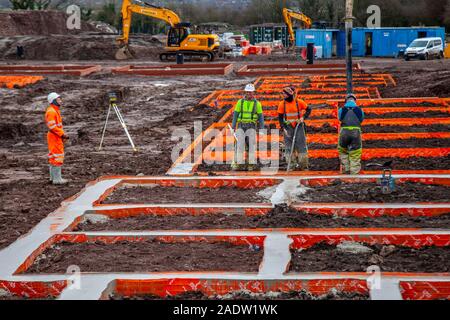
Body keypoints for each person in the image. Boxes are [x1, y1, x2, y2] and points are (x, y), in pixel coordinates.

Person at [230, 84, 265, 171]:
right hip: (241, 126)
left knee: (251, 146)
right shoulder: (240, 102)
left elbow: (261, 118)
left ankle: (250, 165)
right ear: (245, 92)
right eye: (247, 92)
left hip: (252, 126)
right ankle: (237, 164)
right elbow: (235, 115)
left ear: (253, 93)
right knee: (239, 145)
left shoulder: (257, 104)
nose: (249, 94)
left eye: (250, 92)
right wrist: (233, 127)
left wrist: (261, 129)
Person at [278, 86, 311, 170]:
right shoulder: (282, 104)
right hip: (288, 127)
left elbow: (309, 109)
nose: (283, 96)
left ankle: (303, 165)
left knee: (301, 145)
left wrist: (303, 118)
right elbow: (280, 117)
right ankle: (291, 165)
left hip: (298, 126)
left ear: (289, 94)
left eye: (285, 94)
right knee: (289, 147)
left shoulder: (299, 102)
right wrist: (283, 128)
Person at [45, 92, 69, 185]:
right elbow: (53, 127)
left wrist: (61, 135)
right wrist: (62, 134)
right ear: (53, 101)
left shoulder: (54, 110)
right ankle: (57, 179)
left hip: (55, 135)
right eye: (59, 99)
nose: (60, 101)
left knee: (53, 156)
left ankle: (52, 178)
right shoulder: (51, 111)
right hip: (54, 136)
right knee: (57, 156)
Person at [338, 94, 365, 174]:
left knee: (343, 151)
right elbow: (361, 119)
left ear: (346, 100)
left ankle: (346, 171)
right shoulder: (359, 110)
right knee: (355, 153)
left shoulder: (342, 109)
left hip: (344, 132)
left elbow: (340, 118)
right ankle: (354, 174)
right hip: (356, 132)